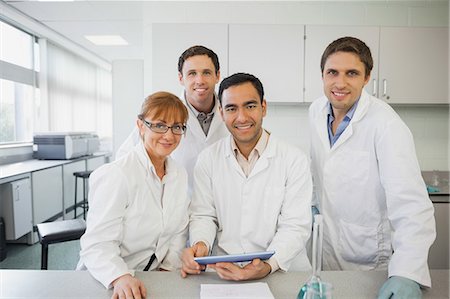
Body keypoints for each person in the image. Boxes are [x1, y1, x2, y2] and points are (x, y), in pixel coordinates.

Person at [308, 36, 436, 298]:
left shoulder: (386, 125)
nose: (340, 82)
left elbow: (411, 205)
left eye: (351, 73)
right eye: (332, 72)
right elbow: (319, 167)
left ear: (367, 78)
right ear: (322, 75)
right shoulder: (316, 111)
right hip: (326, 251)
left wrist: (407, 273)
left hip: (369, 259)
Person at [181, 73, 313, 281]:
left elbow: (295, 226)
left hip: (280, 270)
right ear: (221, 113)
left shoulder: (294, 159)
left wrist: (268, 265)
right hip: (225, 269)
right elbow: (204, 215)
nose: (241, 117)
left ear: (264, 107)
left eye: (250, 106)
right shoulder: (208, 159)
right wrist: (200, 245)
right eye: (232, 108)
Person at [77, 92, 190, 299]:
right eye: (159, 125)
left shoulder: (179, 174)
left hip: (152, 278)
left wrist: (167, 269)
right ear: (140, 126)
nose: (169, 135)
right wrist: (119, 276)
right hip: (108, 281)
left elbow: (178, 231)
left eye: (177, 126)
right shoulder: (117, 175)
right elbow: (97, 245)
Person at [116, 45, 229, 191]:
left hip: (220, 203)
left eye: (206, 73)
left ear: (217, 76)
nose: (199, 80)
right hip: (174, 204)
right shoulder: (163, 112)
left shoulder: (231, 112)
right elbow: (124, 158)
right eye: (192, 73)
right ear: (181, 78)